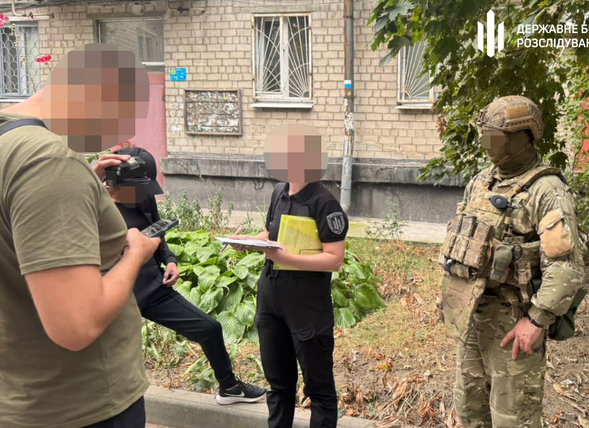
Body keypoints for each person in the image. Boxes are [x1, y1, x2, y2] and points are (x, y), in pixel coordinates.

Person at [0, 44, 159, 428]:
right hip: (81, 406)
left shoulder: (10, 139)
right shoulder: (49, 160)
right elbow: (77, 324)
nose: (121, 134)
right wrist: (135, 253)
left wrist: (87, 189)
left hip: (22, 394)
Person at [438, 96, 584, 427]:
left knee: (513, 418)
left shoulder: (547, 191)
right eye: (485, 135)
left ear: (523, 137)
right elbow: (462, 244)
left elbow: (566, 267)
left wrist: (535, 321)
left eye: (496, 137)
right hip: (472, 319)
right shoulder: (481, 181)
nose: (486, 143)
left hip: (514, 325)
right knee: (469, 412)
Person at [93, 147, 267, 405]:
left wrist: (170, 260)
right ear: (116, 180)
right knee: (117, 363)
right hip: (117, 297)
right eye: (137, 188)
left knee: (209, 328)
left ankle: (229, 387)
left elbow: (156, 232)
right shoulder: (95, 207)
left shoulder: (143, 198)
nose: (142, 194)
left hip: (153, 289)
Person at [230, 123, 348, 428]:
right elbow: (270, 233)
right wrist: (248, 242)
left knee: (318, 388)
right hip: (271, 300)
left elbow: (335, 259)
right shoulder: (279, 191)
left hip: (306, 305)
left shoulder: (325, 203)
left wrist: (286, 258)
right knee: (278, 384)